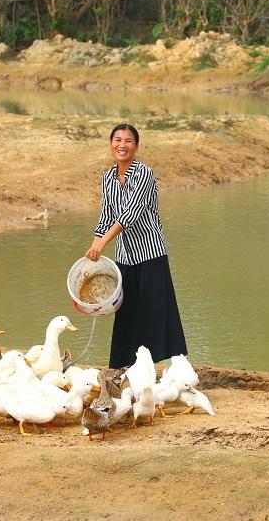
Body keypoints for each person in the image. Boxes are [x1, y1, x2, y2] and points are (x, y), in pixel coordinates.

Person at [86, 123, 188, 369]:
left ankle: (170, 366)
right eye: (118, 140)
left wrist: (102, 243)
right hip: (125, 255)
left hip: (150, 252)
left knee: (155, 310)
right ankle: (124, 366)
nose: (122, 145)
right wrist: (93, 249)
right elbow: (106, 215)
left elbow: (130, 213)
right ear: (111, 144)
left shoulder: (144, 173)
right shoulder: (107, 178)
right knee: (127, 312)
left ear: (136, 146)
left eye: (128, 141)